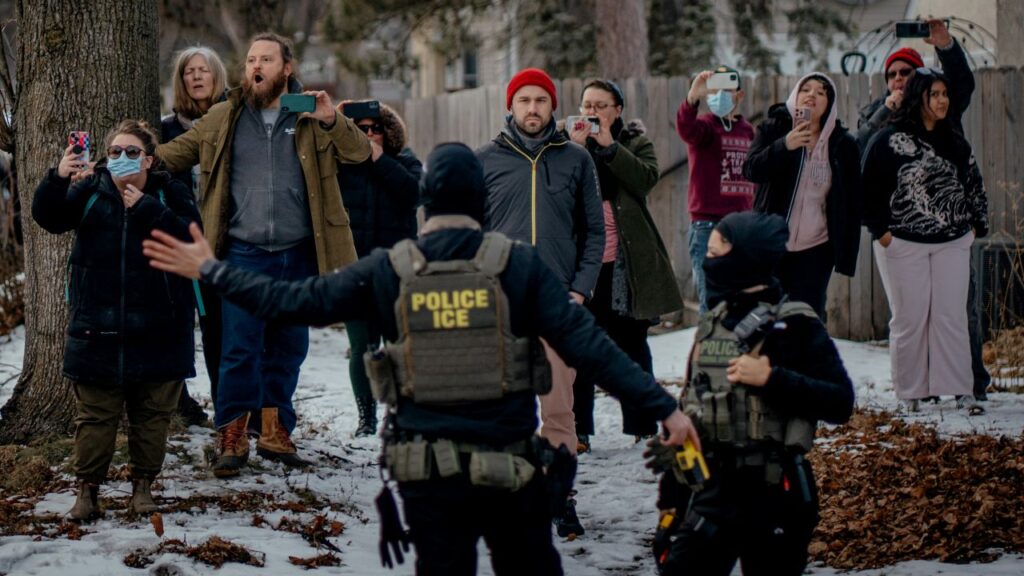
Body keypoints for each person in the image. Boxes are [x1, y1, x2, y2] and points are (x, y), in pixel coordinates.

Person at [144, 142, 699, 576]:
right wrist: (666, 411)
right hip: (511, 470)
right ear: (481, 202)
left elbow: (294, 301)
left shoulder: (391, 268)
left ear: (425, 201)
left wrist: (212, 271)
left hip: (429, 478)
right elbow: (592, 346)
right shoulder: (519, 266)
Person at [157, 32, 371, 477]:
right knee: (239, 347)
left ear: (286, 69)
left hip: (298, 253)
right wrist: (127, 158)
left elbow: (359, 153)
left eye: (267, 59)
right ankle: (232, 436)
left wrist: (333, 120)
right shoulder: (226, 115)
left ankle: (275, 431)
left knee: (289, 346)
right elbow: (174, 154)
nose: (256, 66)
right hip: (243, 252)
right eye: (251, 59)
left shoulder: (309, 114)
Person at [647, 211, 854, 576]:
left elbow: (839, 402)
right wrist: (671, 507)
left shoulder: (795, 323)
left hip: (775, 492)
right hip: (713, 490)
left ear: (745, 258)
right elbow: (688, 413)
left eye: (716, 252)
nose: (708, 262)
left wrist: (772, 379)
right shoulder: (712, 324)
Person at [32, 120, 200, 521]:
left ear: (149, 158)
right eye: (114, 153)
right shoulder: (91, 188)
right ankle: (87, 492)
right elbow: (49, 217)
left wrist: (146, 207)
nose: (121, 159)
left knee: (152, 417)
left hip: (160, 325)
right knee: (94, 417)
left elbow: (193, 238)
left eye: (131, 153)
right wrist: (58, 177)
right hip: (97, 323)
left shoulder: (169, 190)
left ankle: (143, 487)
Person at [476, 67, 604, 538]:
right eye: (524, 100)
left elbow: (594, 232)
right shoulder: (484, 161)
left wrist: (581, 288)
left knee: (557, 408)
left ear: (553, 107)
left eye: (541, 101)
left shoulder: (575, 160)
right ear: (510, 106)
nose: (533, 109)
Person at [855, 19, 991, 402]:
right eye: (893, 74)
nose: (899, 79)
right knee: (911, 317)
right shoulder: (877, 118)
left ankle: (967, 386)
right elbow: (862, 163)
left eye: (907, 73)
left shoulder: (949, 121)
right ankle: (914, 392)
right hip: (902, 239)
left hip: (951, 237)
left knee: (956, 315)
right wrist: (881, 231)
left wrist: (975, 227)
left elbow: (972, 177)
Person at [566, 78, 682, 450]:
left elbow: (645, 180)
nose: (592, 112)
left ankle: (642, 427)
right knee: (578, 348)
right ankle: (578, 429)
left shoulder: (633, 143)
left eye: (601, 106)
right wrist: (576, 149)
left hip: (622, 264)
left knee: (632, 347)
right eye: (587, 104)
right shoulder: (564, 146)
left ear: (618, 111)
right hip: (581, 265)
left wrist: (610, 147)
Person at [743, 72, 862, 318]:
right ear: (795, 96)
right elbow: (751, 169)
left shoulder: (843, 144)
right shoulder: (773, 129)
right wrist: (785, 145)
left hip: (816, 248)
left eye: (821, 92)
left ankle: (805, 357)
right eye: (806, 89)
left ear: (830, 103)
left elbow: (851, 201)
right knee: (767, 317)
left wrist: (844, 252)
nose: (812, 95)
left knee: (807, 319)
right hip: (772, 243)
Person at [336, 99, 422, 437]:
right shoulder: (340, 167)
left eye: (375, 129)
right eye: (360, 129)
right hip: (354, 270)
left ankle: (401, 413)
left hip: (397, 271)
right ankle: (366, 417)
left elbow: (413, 194)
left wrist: (377, 159)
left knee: (399, 344)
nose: (369, 134)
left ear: (388, 132)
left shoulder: (406, 162)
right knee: (362, 346)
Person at [161, 45, 229, 427]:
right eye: (190, 71)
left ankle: (228, 411)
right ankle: (180, 404)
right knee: (174, 327)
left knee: (220, 332)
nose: (197, 76)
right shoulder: (167, 130)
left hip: (224, 246)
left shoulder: (233, 124)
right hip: (179, 244)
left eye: (204, 69)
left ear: (217, 76)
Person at [676, 66, 755, 315]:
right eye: (715, 90)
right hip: (708, 227)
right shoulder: (704, 127)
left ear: (739, 95)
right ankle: (711, 350)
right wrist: (692, 98)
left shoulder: (748, 131)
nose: (719, 95)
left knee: (743, 298)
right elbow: (685, 128)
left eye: (726, 90)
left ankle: (739, 351)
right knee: (712, 301)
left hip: (742, 225)